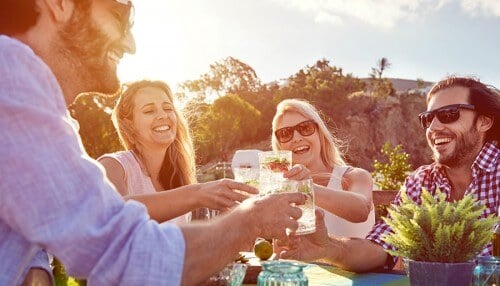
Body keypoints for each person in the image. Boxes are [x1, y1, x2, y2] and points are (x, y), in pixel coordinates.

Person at [0, 1, 306, 285]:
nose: (130, 44)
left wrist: (33, 266)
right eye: (118, 16)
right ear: (59, 3)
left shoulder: (27, 103)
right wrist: (250, 220)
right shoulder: (9, 74)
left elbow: (30, 221)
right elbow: (125, 254)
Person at [279, 76, 499, 272]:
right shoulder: (421, 181)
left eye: (449, 114)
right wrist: (327, 247)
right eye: (428, 119)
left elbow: (360, 209)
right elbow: (379, 248)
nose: (433, 127)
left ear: (484, 121)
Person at [98, 80, 254, 223]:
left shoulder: (177, 177)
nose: (163, 115)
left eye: (168, 108)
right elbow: (116, 212)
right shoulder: (113, 166)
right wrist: (197, 194)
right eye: (149, 111)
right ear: (129, 125)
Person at [272, 99, 375, 238]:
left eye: (305, 128)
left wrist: (308, 188)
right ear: (280, 146)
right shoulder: (283, 192)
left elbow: (361, 210)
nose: (296, 138)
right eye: (285, 133)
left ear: (320, 134)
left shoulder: (354, 176)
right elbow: (282, 252)